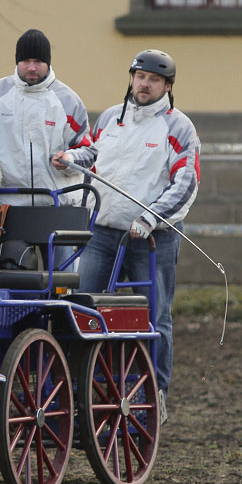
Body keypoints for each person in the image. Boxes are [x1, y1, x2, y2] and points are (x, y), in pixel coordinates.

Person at [78, 49, 201, 424]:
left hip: (152, 238)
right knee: (85, 309)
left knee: (155, 316)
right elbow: (93, 156)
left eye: (153, 79)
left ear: (167, 86)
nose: (144, 84)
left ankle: (156, 394)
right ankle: (90, 391)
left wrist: (150, 218)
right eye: (139, 76)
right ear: (131, 78)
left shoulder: (179, 128)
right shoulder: (109, 119)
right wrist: (69, 157)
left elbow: (187, 182)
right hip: (102, 231)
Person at [0, 28, 97, 210]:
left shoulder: (68, 101)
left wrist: (68, 159)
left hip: (56, 205)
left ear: (48, 62)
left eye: (38, 62)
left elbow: (89, 152)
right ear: (17, 61)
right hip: (6, 206)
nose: (31, 68)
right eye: (25, 61)